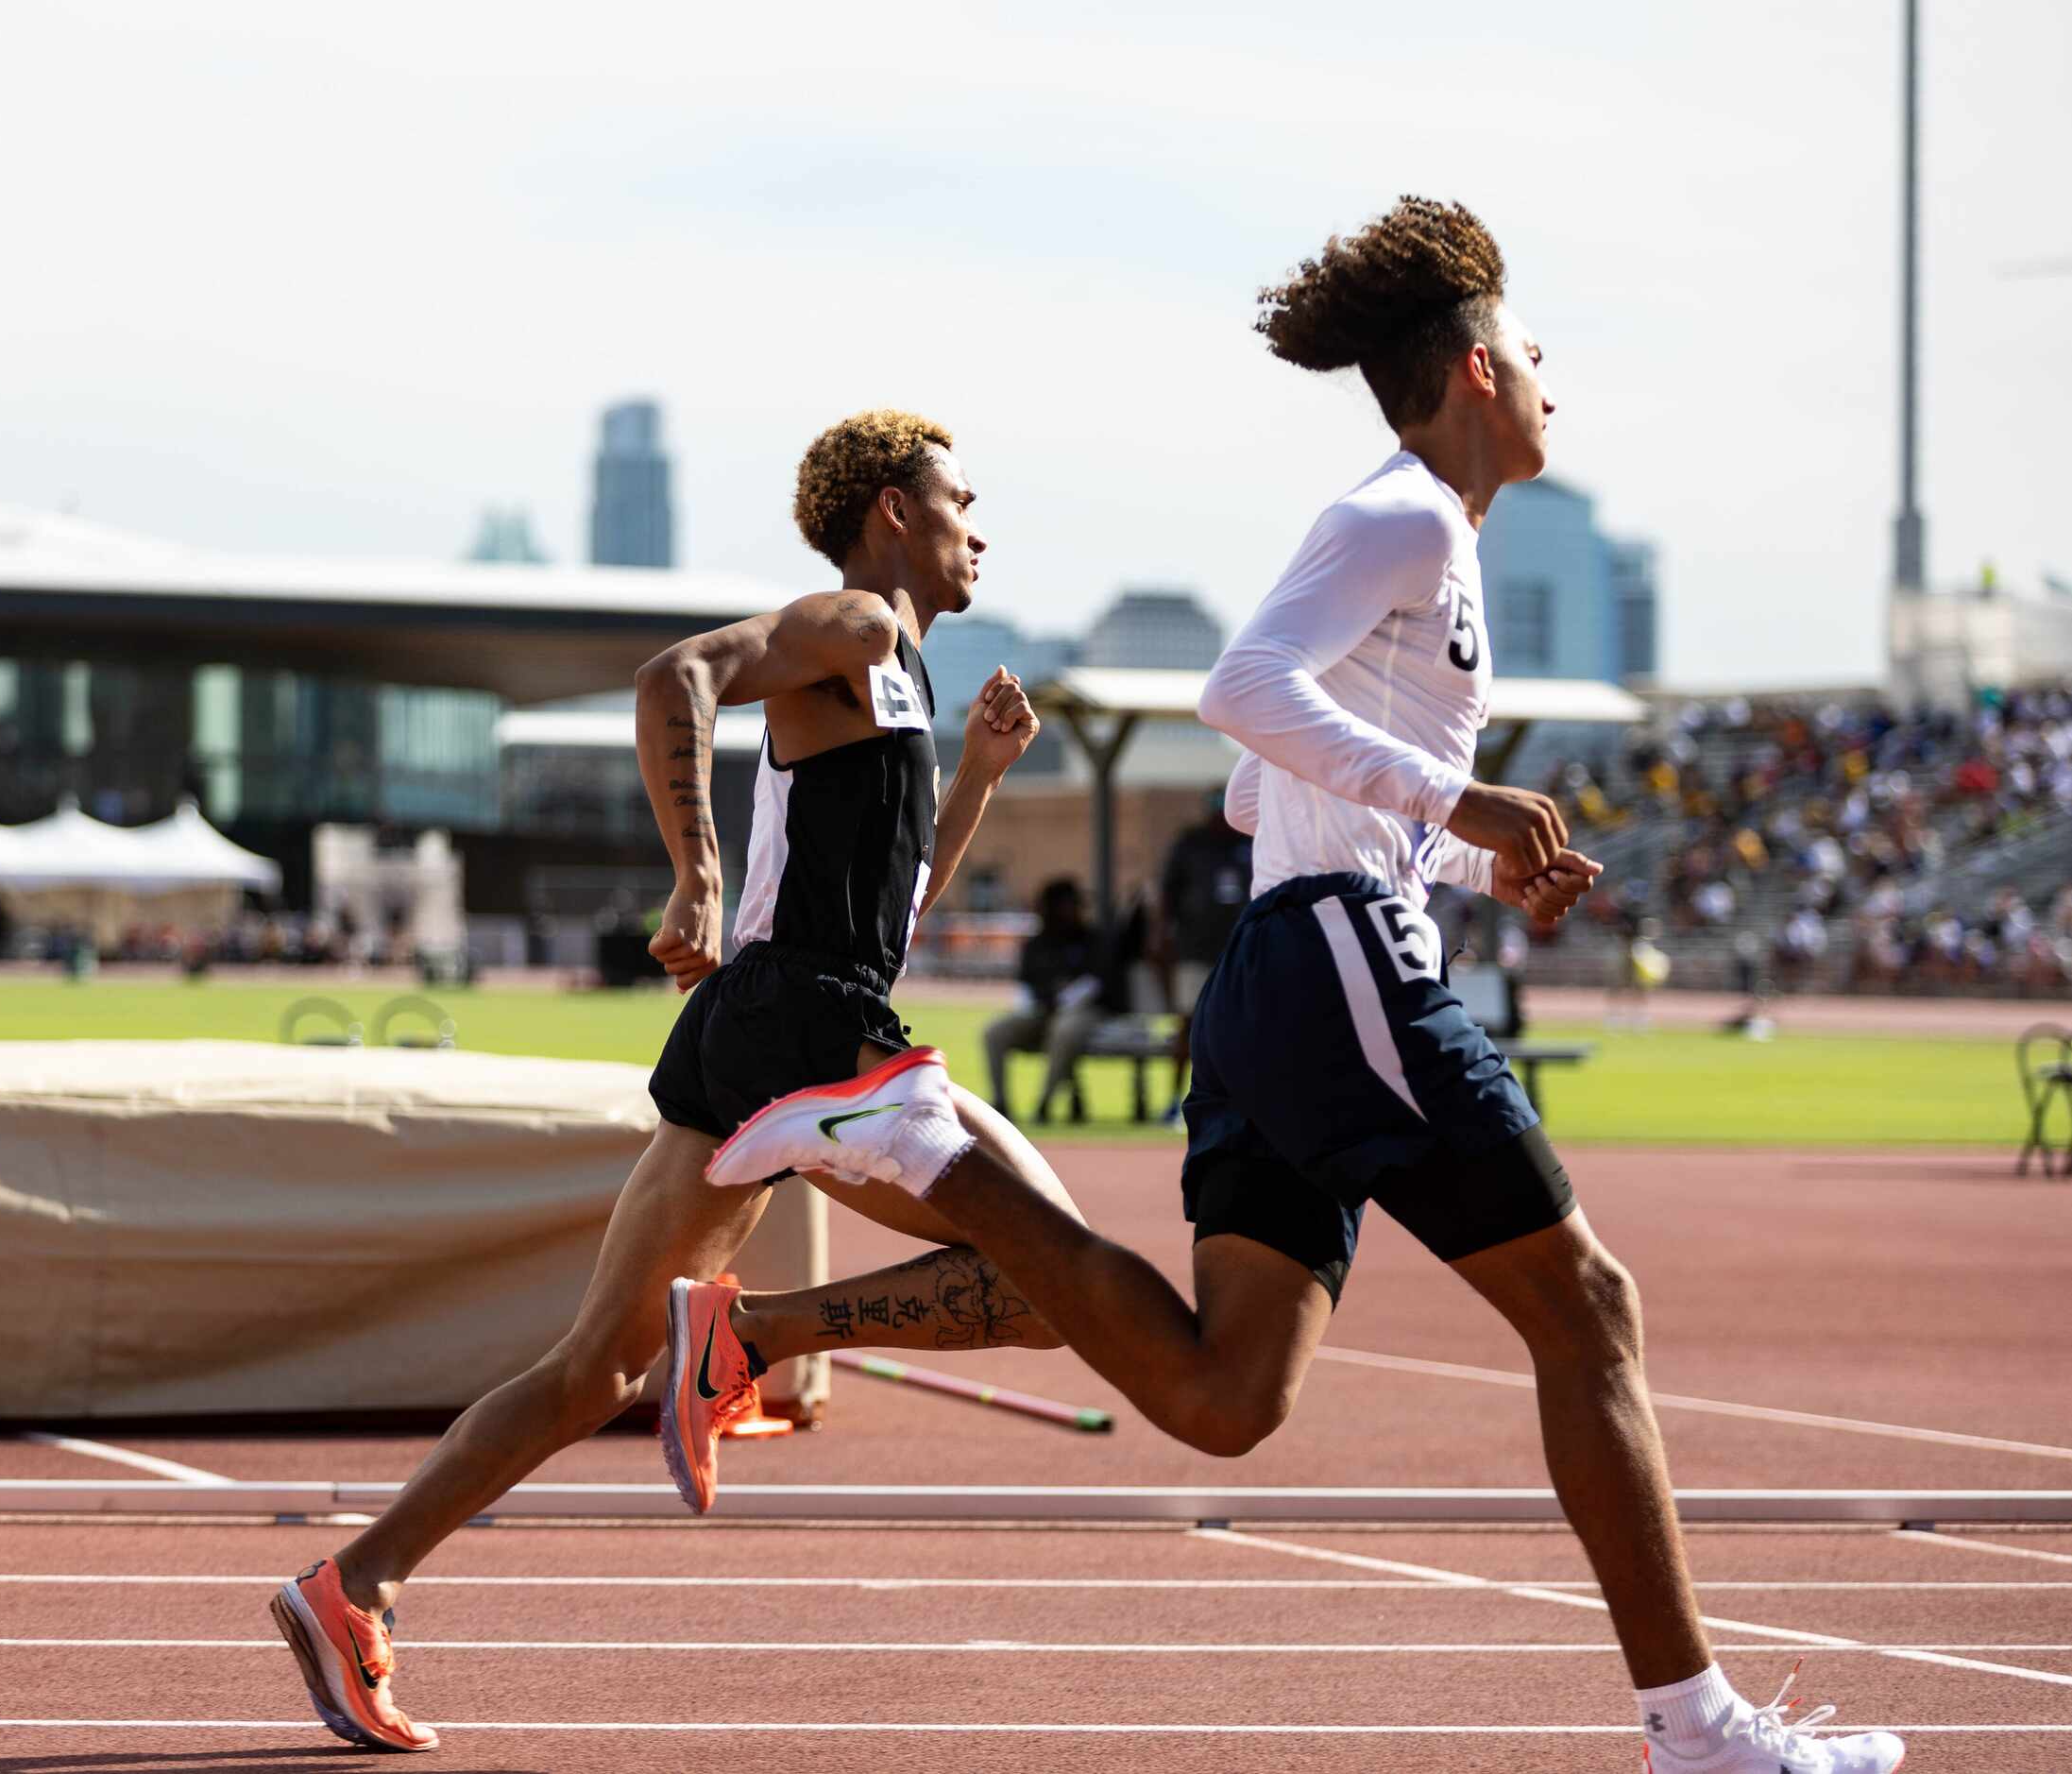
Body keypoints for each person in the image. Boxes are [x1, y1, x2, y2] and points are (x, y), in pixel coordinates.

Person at [709, 200, 1901, 1773]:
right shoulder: (1400, 515)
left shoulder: (1434, 547)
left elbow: (1262, 796)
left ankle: (936, 1160)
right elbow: (1236, 693)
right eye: (1538, 357)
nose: (1555, 384)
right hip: (1337, 958)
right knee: (1588, 1307)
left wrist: (1479, 862)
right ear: (1475, 368)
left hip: (1298, 963)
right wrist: (1452, 804)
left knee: (1223, 1396)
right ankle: (1702, 1733)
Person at [268, 409, 1087, 1753]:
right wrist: (694, 870)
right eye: (959, 497)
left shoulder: (900, 681)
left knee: (592, 1367)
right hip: (808, 1029)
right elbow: (677, 676)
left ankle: (352, 1581)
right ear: (892, 509)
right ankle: (753, 1332)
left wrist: (980, 781)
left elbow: (887, 907)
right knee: (1061, 1279)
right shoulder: (856, 624)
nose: (977, 524)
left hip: (766, 1026)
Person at [1149, 788, 1252, 1125]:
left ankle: (1239, 1099)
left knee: (1241, 1026)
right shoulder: (1191, 843)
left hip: (1239, 952)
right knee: (1189, 1026)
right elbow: (1167, 894)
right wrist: (1162, 935)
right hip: (1195, 949)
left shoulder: (1251, 842)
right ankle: (1173, 1101)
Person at [980, 877, 1114, 1123]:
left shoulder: (1092, 941)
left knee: (1063, 1030)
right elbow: (1025, 986)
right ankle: (1000, 1104)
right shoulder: (1036, 944)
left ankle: (1044, 1105)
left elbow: (1095, 983)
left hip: (1085, 1013)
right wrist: (1037, 1006)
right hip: (1040, 1012)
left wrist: (1061, 1003)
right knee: (994, 1032)